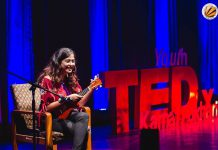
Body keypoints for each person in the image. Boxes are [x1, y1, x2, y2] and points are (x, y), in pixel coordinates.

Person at [37, 47, 94, 150]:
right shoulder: (47, 80)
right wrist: (65, 99)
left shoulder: (71, 78)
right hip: (51, 118)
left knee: (83, 116)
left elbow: (80, 103)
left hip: (66, 115)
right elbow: (46, 108)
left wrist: (91, 89)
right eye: (67, 61)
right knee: (83, 130)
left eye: (73, 61)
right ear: (58, 62)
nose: (71, 64)